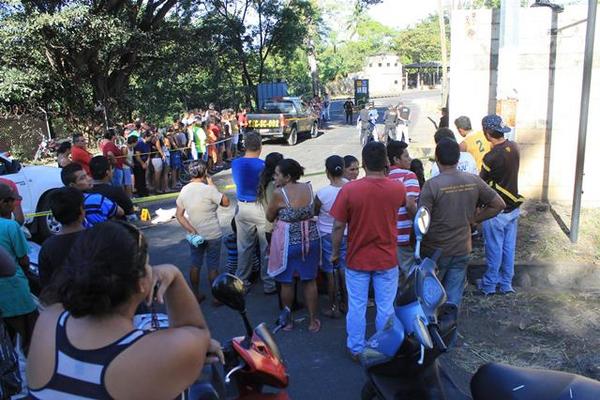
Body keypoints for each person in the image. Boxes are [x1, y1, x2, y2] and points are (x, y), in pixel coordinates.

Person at [27, 221, 215, 399]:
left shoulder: (50, 320)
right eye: (147, 264)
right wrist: (174, 274)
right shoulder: (158, 356)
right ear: (141, 283)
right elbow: (197, 333)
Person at [330, 142, 406, 359]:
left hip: (357, 258)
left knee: (357, 306)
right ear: (386, 162)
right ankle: (385, 346)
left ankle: (356, 348)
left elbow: (338, 226)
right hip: (387, 258)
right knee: (385, 307)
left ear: (363, 163)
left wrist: (334, 253)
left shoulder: (350, 190)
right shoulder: (397, 188)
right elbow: (408, 206)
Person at [418, 138, 505, 307]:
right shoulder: (473, 180)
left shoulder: (431, 185)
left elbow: (422, 220)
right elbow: (499, 204)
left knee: (431, 297)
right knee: (453, 298)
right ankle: (450, 330)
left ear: (437, 158)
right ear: (458, 158)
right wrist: (474, 219)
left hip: (435, 251)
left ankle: (432, 331)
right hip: (461, 248)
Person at [266, 159, 321, 333]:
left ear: (287, 176)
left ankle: (288, 322)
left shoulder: (279, 193)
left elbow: (269, 216)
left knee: (287, 283)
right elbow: (314, 211)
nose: (274, 177)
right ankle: (313, 321)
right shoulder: (308, 188)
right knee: (309, 280)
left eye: (277, 174)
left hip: (288, 242)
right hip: (311, 239)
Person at [478, 115, 524, 296]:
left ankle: (489, 285)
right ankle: (506, 284)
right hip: (514, 207)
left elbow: (482, 184)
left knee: (494, 249)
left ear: (487, 133)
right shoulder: (514, 147)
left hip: (496, 211)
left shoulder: (490, 157)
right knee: (508, 247)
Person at [176, 160, 230, 305]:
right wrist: (213, 185)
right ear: (205, 172)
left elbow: (179, 215)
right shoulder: (209, 189)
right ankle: (216, 297)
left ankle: (195, 294)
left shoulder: (184, 190)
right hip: (213, 233)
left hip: (195, 235)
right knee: (213, 266)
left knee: (195, 263)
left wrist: (191, 229)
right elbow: (226, 202)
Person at [232, 132, 276, 295]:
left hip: (242, 208)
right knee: (266, 247)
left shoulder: (235, 163)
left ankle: (241, 281)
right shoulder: (263, 165)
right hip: (260, 206)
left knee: (244, 247)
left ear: (245, 146)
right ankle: (269, 283)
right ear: (260, 146)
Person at [0, 183, 37, 355]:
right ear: (3, 203)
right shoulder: (11, 227)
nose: (15, 205)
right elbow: (23, 258)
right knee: (30, 337)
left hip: (3, 297)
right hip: (15, 289)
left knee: (7, 341)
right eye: (12, 202)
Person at [315, 156, 348, 317]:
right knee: (344, 269)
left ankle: (333, 306)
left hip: (326, 234)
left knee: (330, 271)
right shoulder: (351, 188)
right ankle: (347, 303)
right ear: (343, 169)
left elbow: (314, 212)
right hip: (347, 233)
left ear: (327, 172)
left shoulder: (322, 193)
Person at [38, 187, 85, 288]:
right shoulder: (97, 238)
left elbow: (46, 282)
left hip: (63, 299)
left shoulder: (48, 246)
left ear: (54, 215)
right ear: (81, 211)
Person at [386, 140, 420, 275]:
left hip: (387, 236)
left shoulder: (383, 177)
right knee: (410, 272)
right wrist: (418, 223)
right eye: (406, 156)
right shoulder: (408, 175)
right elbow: (410, 204)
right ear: (396, 159)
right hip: (404, 235)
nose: (409, 159)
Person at [89, 156, 136, 220]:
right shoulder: (116, 191)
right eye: (111, 169)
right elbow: (130, 212)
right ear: (107, 172)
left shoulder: (85, 193)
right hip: (116, 226)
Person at [133, 131, 152, 197]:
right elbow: (137, 156)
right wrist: (142, 163)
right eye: (150, 137)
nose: (151, 138)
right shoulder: (139, 144)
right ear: (146, 137)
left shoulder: (148, 143)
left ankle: (144, 192)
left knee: (143, 178)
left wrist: (147, 162)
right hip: (138, 165)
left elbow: (149, 153)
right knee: (139, 179)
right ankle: (140, 193)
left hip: (145, 162)